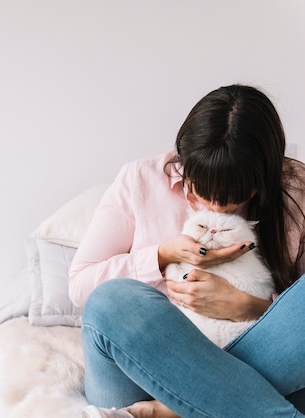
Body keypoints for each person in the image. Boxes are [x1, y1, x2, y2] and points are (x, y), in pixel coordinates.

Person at [69, 84, 305, 418]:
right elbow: (80, 285)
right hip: (144, 374)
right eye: (200, 188)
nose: (210, 206)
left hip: (249, 360)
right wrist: (162, 255)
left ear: (261, 182)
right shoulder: (140, 180)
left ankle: (174, 411)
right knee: (113, 301)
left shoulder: (295, 191)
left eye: (228, 198)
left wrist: (251, 307)